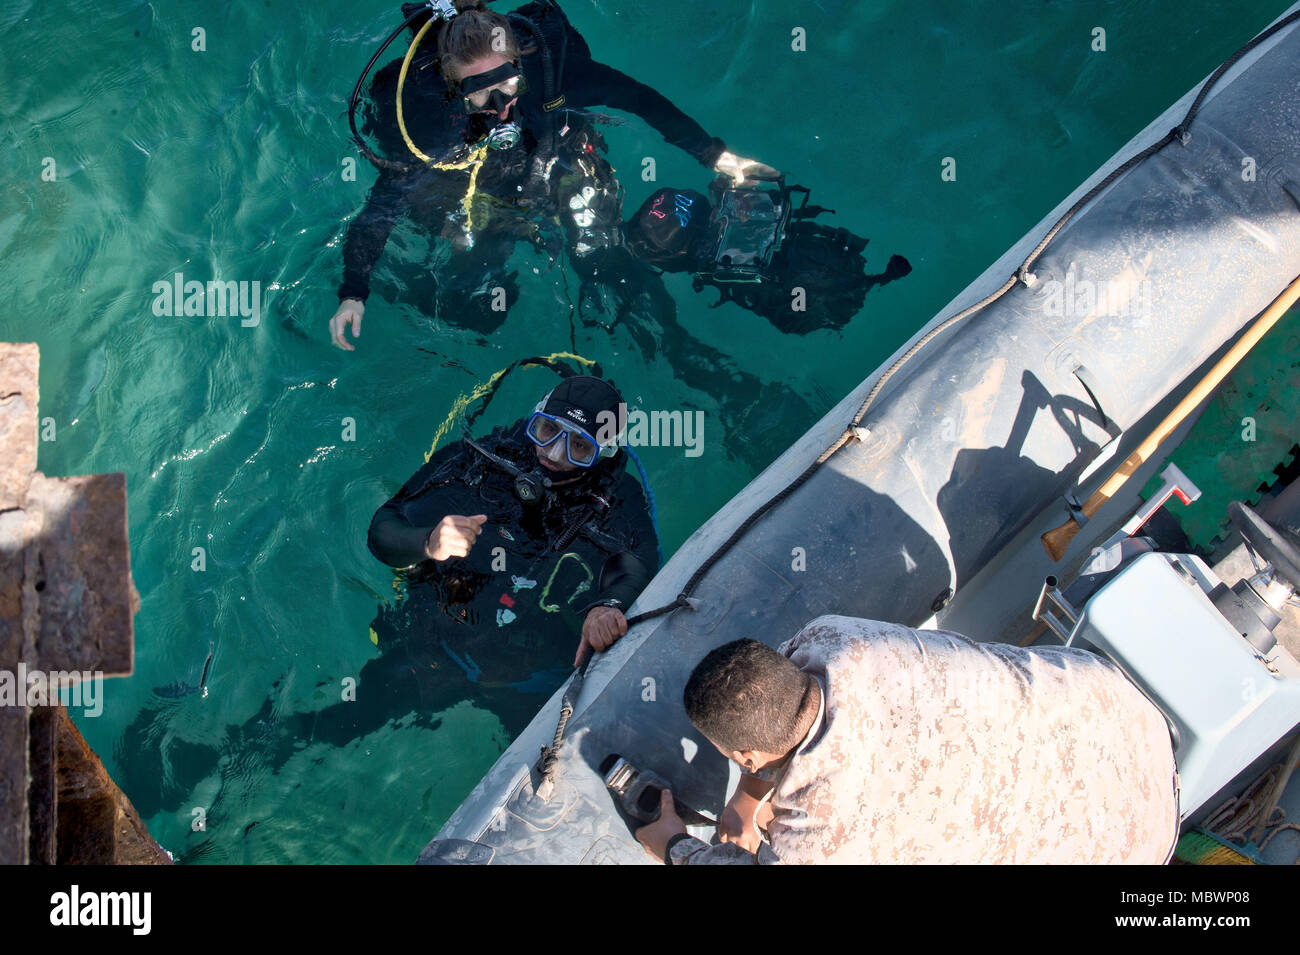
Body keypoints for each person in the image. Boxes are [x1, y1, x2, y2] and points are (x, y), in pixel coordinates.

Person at [330, 0, 776, 345]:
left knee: (604, 261)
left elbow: (639, 99)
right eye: (481, 98)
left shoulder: (553, 75)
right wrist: (354, 292)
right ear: (452, 87)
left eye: (509, 87)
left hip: (555, 152)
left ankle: (693, 327)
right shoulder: (431, 121)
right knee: (474, 297)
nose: (501, 107)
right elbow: (382, 206)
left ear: (520, 63)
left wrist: (715, 156)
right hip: (480, 185)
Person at [636, 615, 1180, 864]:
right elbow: (777, 701)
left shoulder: (822, 842)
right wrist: (747, 798)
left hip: (1135, 847)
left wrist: (673, 846)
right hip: (1119, 707)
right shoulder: (839, 638)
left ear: (745, 755)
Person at [624, 179, 913, 334]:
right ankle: (877, 279)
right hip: (823, 251)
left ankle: (874, 281)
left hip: (813, 287)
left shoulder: (704, 261)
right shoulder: (729, 211)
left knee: (799, 311)